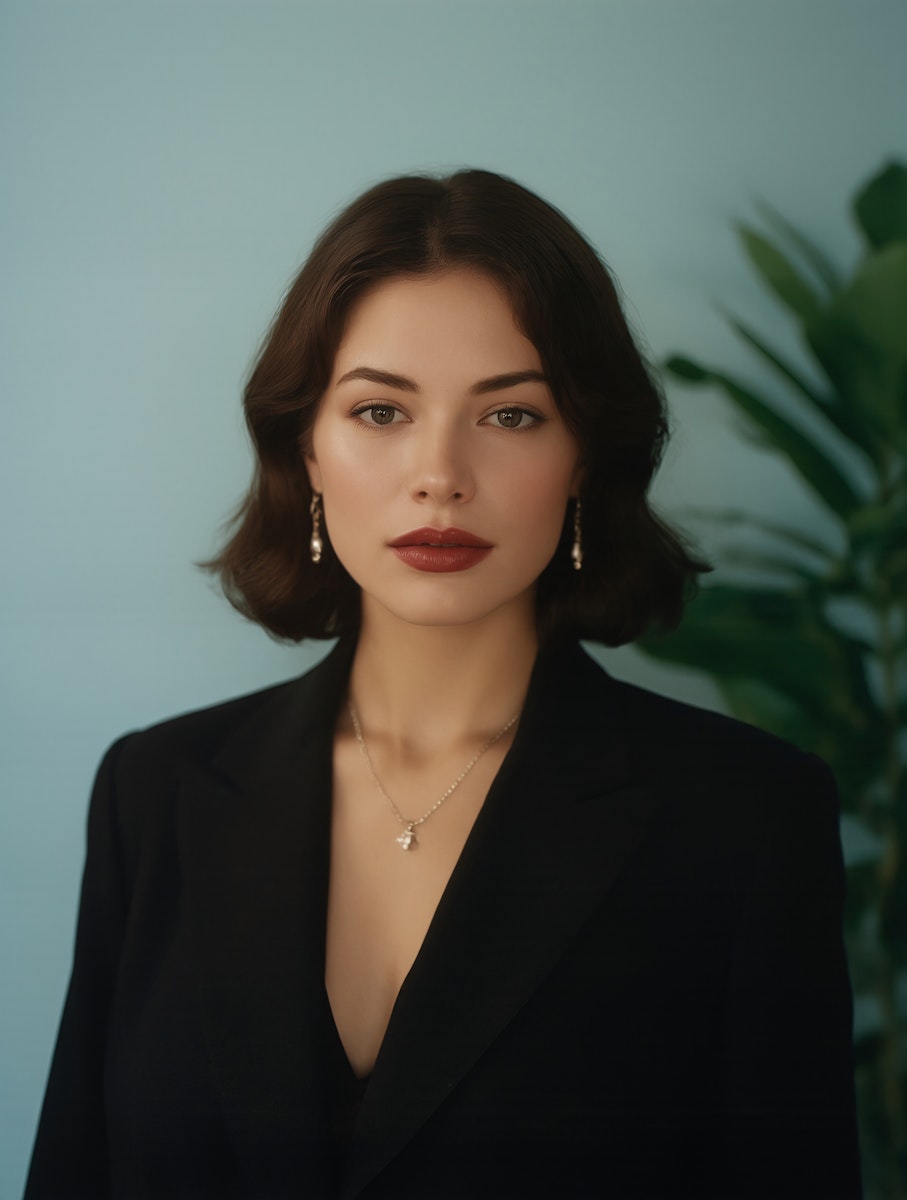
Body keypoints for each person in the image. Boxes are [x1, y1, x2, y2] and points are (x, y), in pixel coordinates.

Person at [25, 169, 861, 1199]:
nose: (439, 473)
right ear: (308, 451)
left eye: (509, 417)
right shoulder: (152, 791)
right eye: (380, 410)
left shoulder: (746, 818)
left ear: (586, 460)